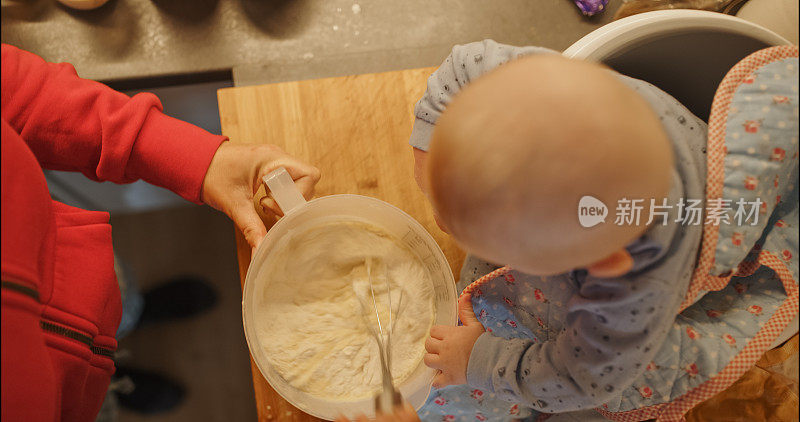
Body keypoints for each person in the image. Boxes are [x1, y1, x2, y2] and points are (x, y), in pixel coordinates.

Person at [408, 40, 797, 420]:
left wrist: (477, 358)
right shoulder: (555, 96)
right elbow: (462, 67)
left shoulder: (631, 296)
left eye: (499, 249)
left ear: (601, 264)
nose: (442, 224)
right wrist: (432, 160)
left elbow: (578, 378)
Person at [1, 44, 320, 422]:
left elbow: (15, 88)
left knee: (120, 298)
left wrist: (199, 160)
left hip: (62, 262)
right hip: (68, 405)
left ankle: (133, 316)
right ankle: (116, 380)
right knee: (94, 392)